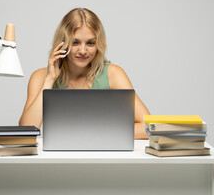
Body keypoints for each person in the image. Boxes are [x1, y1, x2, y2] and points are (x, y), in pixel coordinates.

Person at [19, 8, 150, 139]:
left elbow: (148, 126)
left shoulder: (113, 74)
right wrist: (50, 80)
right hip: (57, 158)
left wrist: (96, 133)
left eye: (90, 43)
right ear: (62, 44)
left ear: (98, 45)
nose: (82, 50)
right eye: (75, 42)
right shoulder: (40, 77)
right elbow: (26, 131)